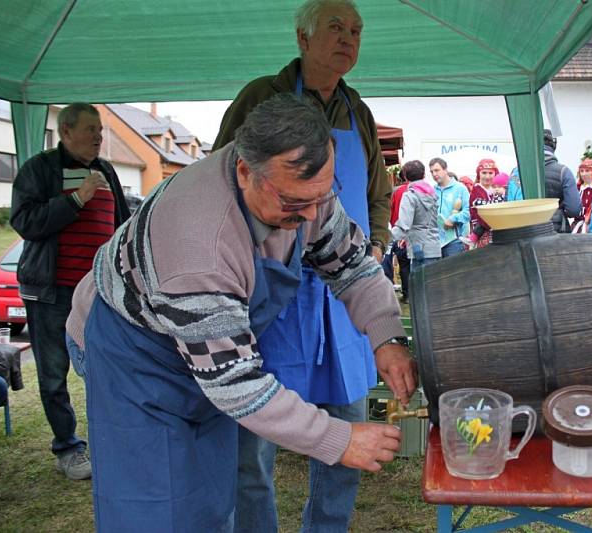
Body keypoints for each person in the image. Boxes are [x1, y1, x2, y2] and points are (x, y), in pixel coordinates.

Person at [64, 94, 416, 533]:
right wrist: (337, 439)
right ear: (246, 170)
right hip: (132, 353)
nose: (311, 215)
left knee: (212, 496)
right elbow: (236, 384)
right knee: (160, 511)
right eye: (293, 204)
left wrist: (387, 337)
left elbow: (352, 263)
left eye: (321, 196)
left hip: (202, 352)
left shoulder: (302, 187)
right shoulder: (197, 241)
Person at [212, 1, 393, 530]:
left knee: (350, 427)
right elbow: (225, 181)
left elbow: (380, 194)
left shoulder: (357, 111)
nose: (348, 39)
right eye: (335, 27)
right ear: (302, 36)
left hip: (345, 294)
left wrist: (376, 248)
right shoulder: (260, 98)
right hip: (276, 291)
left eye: (356, 31)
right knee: (256, 436)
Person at [9, 102, 131, 480]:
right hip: (51, 292)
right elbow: (24, 221)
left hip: (99, 292)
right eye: (90, 129)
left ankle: (111, 442)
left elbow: (122, 225)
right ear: (66, 132)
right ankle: (68, 449)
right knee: (53, 375)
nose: (98, 136)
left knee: (106, 368)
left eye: (100, 129)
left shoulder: (106, 170)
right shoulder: (41, 169)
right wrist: (76, 200)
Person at [390, 160, 441, 272]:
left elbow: (404, 225)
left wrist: (385, 239)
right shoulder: (432, 193)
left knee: (419, 287)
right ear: (423, 175)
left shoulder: (409, 196)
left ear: (405, 178)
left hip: (418, 249)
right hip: (434, 246)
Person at [430, 157, 470, 257]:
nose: (434, 174)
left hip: (454, 242)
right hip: (435, 242)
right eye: (431, 172)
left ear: (445, 169)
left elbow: (469, 211)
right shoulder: (432, 190)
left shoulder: (460, 188)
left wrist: (453, 219)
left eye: (437, 170)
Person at [543, 129, 581, 233]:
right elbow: (574, 210)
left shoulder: (518, 172)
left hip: (526, 233)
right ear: (553, 146)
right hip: (555, 231)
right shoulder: (564, 172)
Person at [386, 169, 411, 301]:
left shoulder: (396, 191)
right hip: (412, 234)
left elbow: (389, 210)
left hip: (396, 231)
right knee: (408, 264)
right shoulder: (425, 190)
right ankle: (409, 294)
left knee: (394, 264)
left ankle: (401, 295)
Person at [468, 159, 505, 248]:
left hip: (498, 234)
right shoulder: (476, 190)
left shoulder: (499, 191)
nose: (487, 176)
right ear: (478, 174)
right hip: (482, 235)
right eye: (484, 173)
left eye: (490, 173)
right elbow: (483, 214)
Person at [571, 158, 592, 233]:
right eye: (581, 171)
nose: (584, 174)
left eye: (587, 171)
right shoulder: (577, 188)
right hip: (577, 224)